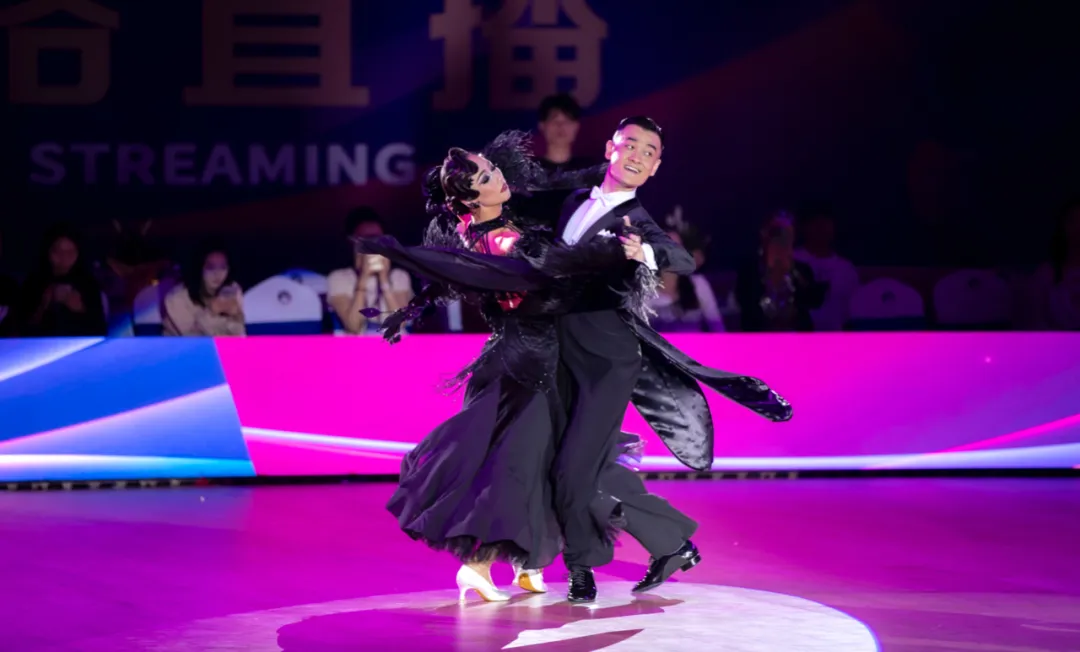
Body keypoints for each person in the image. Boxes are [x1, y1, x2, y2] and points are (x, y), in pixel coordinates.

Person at [359, 120, 793, 604]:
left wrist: (640, 251)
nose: (499, 176)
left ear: (656, 165)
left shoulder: (536, 219)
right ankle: (509, 561)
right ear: (612, 147)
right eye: (486, 176)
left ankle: (538, 560)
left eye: (648, 151)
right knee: (543, 463)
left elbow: (680, 259)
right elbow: (527, 274)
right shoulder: (512, 235)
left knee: (561, 463)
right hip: (534, 360)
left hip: (579, 355)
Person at [326, 207, 413, 335]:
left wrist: (384, 280)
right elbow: (354, 327)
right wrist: (363, 277)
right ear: (352, 242)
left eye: (378, 239)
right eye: (366, 240)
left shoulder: (399, 276)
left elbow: (401, 324)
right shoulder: (338, 278)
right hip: (357, 346)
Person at [736, 211, 826, 332]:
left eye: (787, 235)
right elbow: (748, 308)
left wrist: (793, 272)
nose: (782, 240)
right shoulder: (749, 271)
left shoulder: (802, 270)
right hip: (760, 338)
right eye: (777, 233)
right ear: (764, 235)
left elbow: (814, 302)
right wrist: (772, 277)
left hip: (796, 338)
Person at [19, 224, 107, 337]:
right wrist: (43, 305)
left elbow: (100, 330)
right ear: (48, 251)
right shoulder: (34, 282)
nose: (64, 258)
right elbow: (21, 329)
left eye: (70, 252)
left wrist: (80, 309)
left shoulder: (88, 284)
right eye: (58, 251)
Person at [163, 242, 245, 336]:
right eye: (210, 268)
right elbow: (192, 339)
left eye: (223, 267)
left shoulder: (232, 289)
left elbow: (240, 336)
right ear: (199, 268)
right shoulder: (177, 298)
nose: (217, 274)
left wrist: (236, 316)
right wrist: (211, 311)